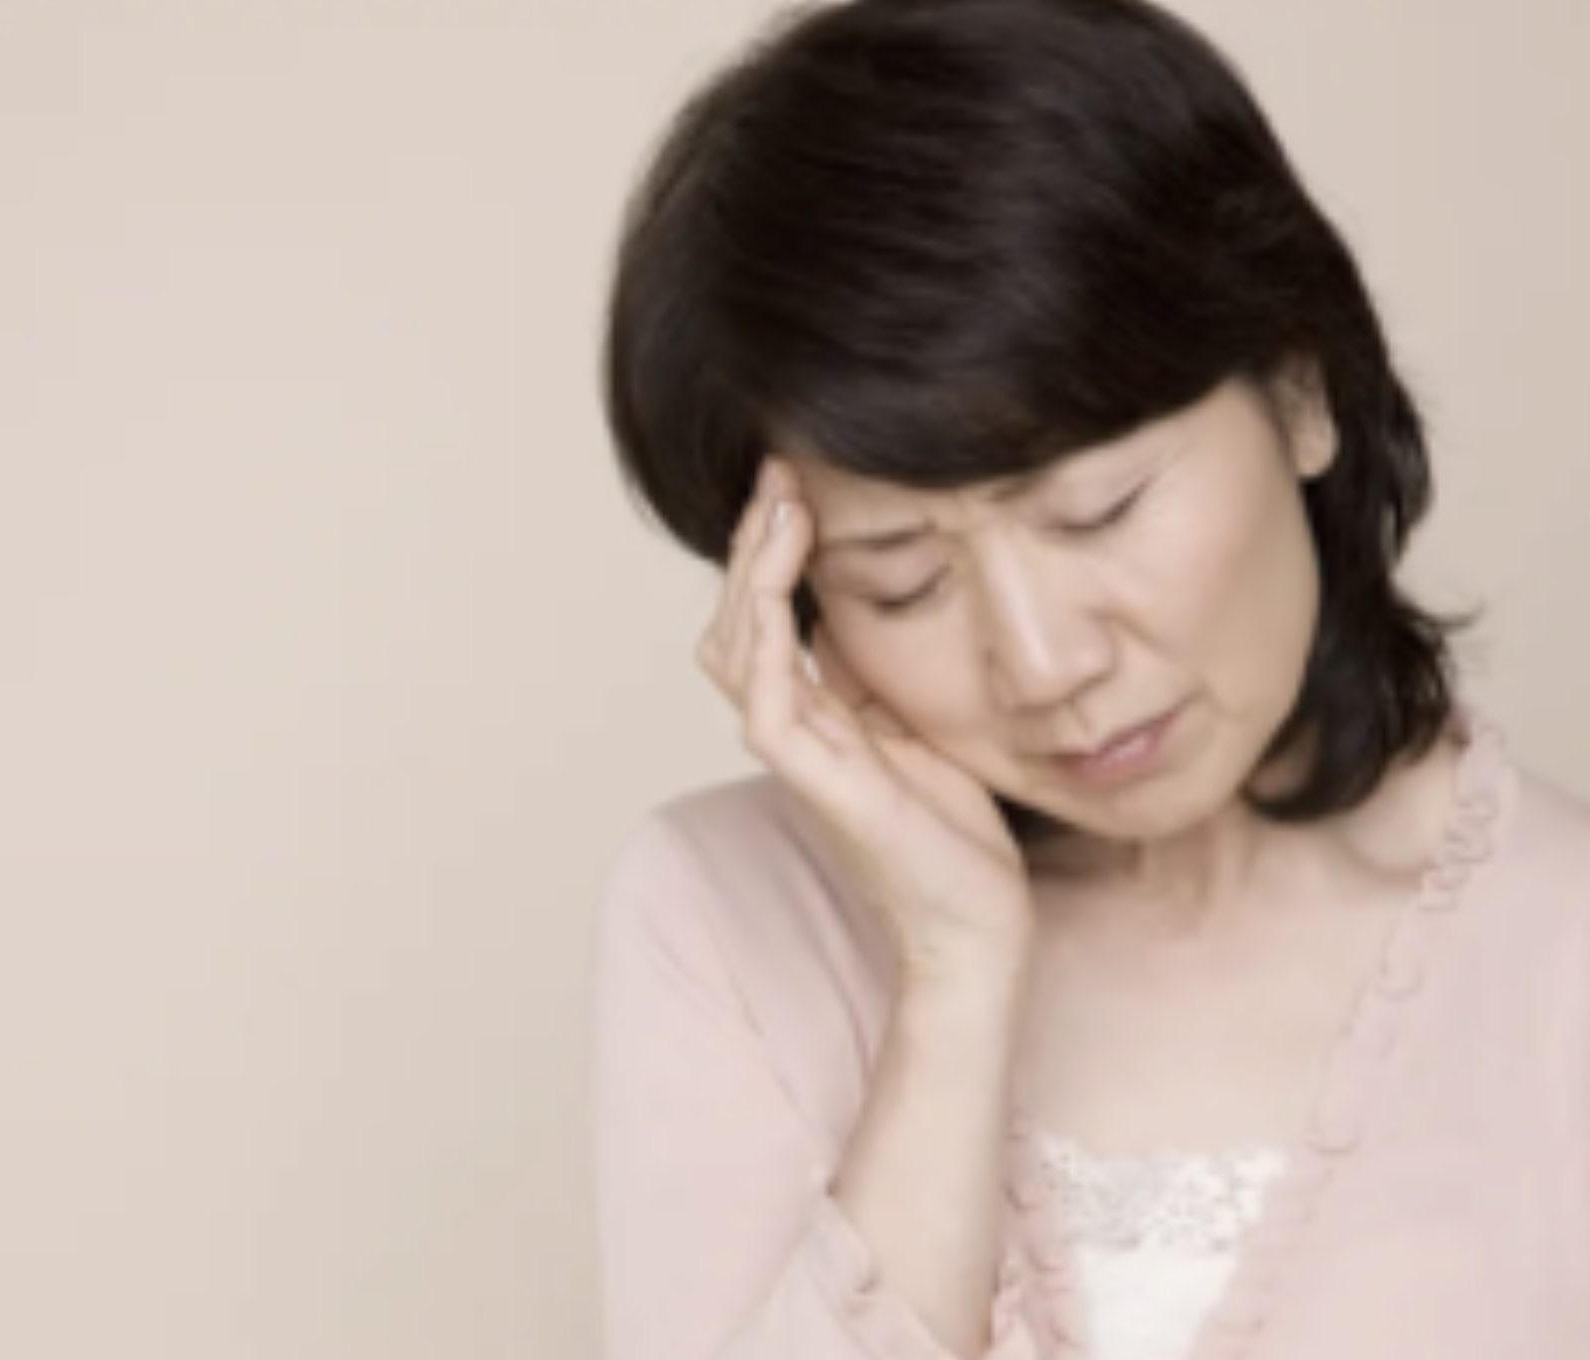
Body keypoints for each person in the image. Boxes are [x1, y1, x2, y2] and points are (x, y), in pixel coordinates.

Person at [588, 2, 1590, 1359]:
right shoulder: (721, 918)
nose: (1046, 664)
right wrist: (953, 974)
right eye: (903, 581)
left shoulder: (1561, 949)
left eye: (1097, 510)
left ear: (1300, 388)